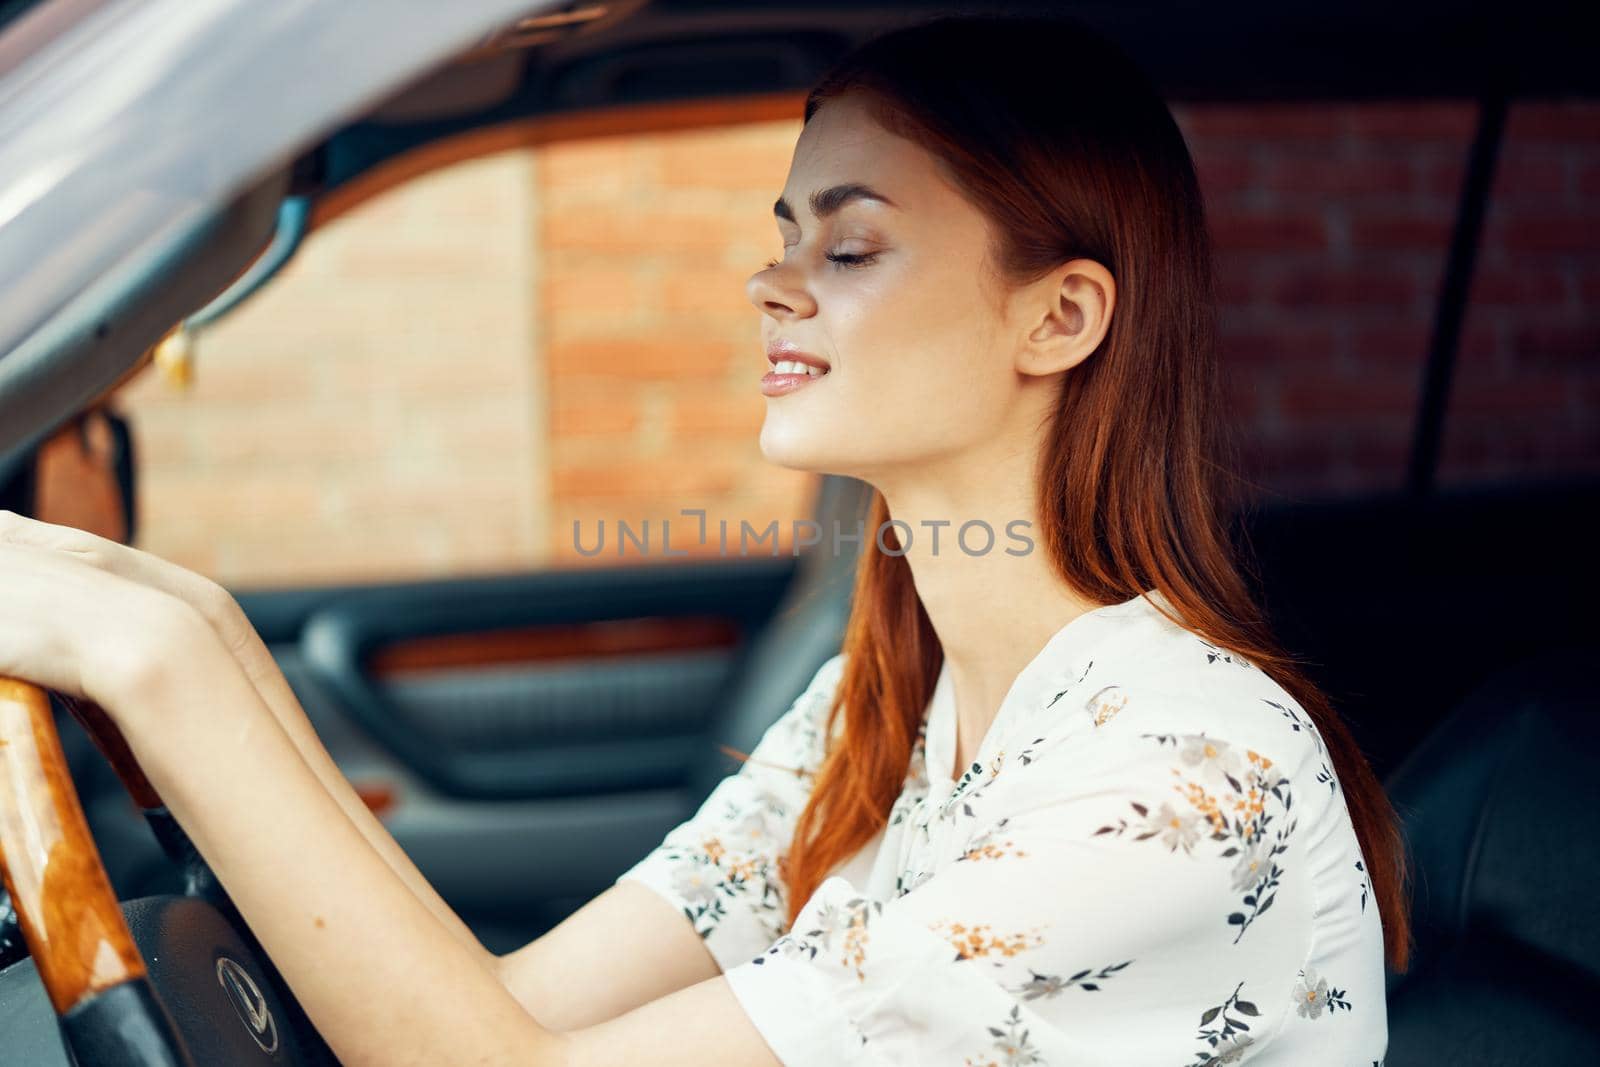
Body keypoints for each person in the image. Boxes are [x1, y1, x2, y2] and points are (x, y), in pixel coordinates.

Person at [0, 12, 1411, 1065]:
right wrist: (177, 616)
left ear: (1061, 317)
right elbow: (511, 1013)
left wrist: (159, 649)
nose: (769, 282)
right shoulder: (888, 702)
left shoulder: (1174, 783)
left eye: (846, 248)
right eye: (784, 234)